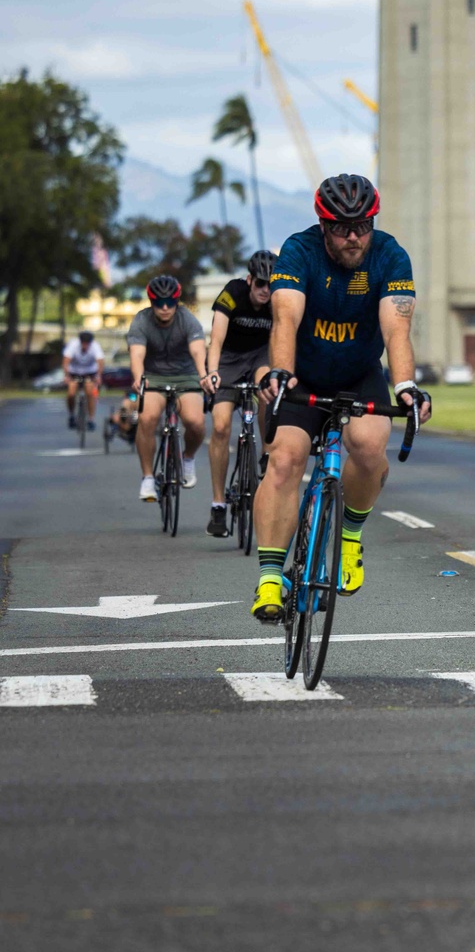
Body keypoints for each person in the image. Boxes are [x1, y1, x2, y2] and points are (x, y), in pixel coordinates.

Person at [251, 174, 432, 621]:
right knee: (286, 460)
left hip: (358, 375)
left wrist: (406, 386)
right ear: (322, 223)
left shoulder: (390, 256)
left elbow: (396, 329)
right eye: (340, 227)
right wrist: (280, 373)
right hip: (303, 377)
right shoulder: (299, 250)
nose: (353, 236)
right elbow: (285, 318)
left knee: (370, 449)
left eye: (362, 225)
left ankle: (349, 539)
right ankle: (270, 579)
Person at [201, 249, 276, 537]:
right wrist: (212, 372)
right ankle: (218, 504)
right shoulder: (233, 292)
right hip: (229, 359)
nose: (265, 290)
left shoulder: (278, 298)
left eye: (270, 284)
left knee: (269, 388)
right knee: (220, 426)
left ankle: (266, 456)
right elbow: (216, 338)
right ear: (249, 280)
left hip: (260, 357)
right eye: (260, 283)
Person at [126, 275, 209, 502]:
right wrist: (139, 377)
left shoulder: (187, 320)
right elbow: (137, 354)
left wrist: (204, 376)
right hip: (153, 378)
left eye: (170, 303)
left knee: (196, 422)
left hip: (187, 377)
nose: (164, 308)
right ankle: (148, 478)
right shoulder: (141, 321)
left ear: (177, 302)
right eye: (158, 303)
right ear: (151, 302)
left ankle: (188, 457)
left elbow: (198, 351)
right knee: (146, 418)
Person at [62, 330, 104, 430]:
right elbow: (66, 361)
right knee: (71, 393)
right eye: (83, 343)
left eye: (87, 343)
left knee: (90, 393)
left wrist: (98, 376)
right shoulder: (73, 345)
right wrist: (67, 375)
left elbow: (100, 362)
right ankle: (71, 415)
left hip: (89, 372)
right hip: (74, 372)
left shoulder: (95, 346)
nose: (85, 345)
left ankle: (91, 419)